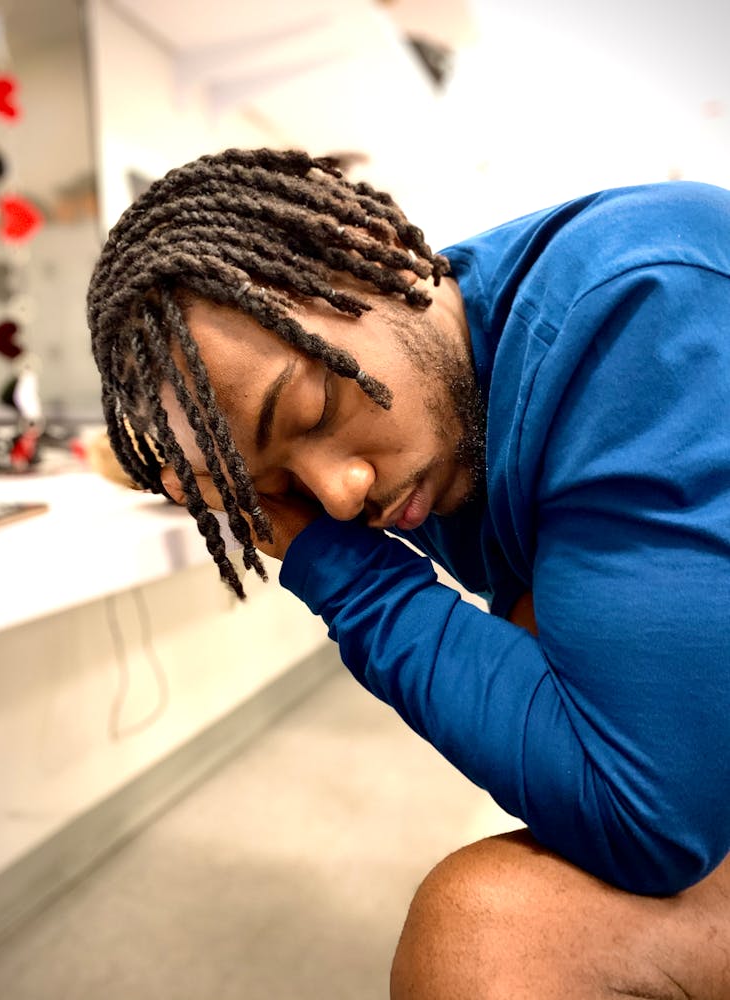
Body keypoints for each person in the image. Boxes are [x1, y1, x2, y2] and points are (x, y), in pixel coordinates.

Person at [87, 147, 730, 999]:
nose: (341, 492)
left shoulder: (636, 309)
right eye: (279, 486)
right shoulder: (440, 379)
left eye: (318, 407)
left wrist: (343, 571)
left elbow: (640, 815)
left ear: (371, 253)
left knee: (478, 937)